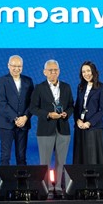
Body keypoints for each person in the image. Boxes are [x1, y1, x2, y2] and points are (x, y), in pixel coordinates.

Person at [29, 59, 74, 193]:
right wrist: (48, 114)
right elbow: (33, 108)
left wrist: (67, 113)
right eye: (50, 70)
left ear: (59, 71)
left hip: (63, 129)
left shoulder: (66, 87)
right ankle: (47, 187)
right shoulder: (39, 88)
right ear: (45, 72)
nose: (53, 72)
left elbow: (71, 105)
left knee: (61, 161)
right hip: (45, 129)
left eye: (55, 70)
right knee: (45, 162)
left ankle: (59, 187)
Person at [0, 55, 33, 165]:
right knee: (5, 156)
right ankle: (4, 177)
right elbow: (1, 102)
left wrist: (25, 117)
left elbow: (32, 102)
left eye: (19, 66)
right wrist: (15, 118)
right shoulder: (1, 81)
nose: (16, 68)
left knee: (21, 156)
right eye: (14, 66)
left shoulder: (28, 81)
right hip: (6, 124)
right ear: (8, 66)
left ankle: (22, 177)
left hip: (23, 124)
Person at [73, 61, 103, 165]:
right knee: (79, 158)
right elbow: (77, 107)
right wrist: (77, 120)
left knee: (92, 159)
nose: (86, 74)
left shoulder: (102, 87)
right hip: (80, 127)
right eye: (83, 72)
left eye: (88, 71)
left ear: (94, 71)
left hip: (94, 128)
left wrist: (89, 123)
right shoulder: (80, 87)